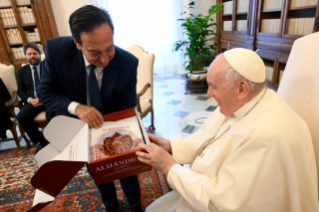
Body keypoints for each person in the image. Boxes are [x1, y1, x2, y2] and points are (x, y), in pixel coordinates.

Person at [136, 48, 319, 212]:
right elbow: (205, 139)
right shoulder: (241, 101)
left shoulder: (268, 136)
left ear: (241, 89)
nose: (208, 94)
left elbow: (222, 203)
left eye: (214, 86)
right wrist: (170, 146)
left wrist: (169, 166)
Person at [37, 5, 142, 212]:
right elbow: (45, 92)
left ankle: (137, 205)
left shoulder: (127, 63)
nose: (104, 60)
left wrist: (115, 138)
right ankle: (111, 205)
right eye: (94, 53)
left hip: (114, 119)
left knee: (126, 169)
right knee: (97, 169)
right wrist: (77, 108)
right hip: (79, 126)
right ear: (77, 43)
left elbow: (126, 106)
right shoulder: (57, 52)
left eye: (109, 49)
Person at [16, 43, 55, 154]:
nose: (32, 56)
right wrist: (29, 100)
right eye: (29, 54)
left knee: (52, 113)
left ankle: (56, 140)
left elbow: (55, 85)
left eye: (35, 53)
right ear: (26, 56)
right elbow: (21, 91)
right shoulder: (22, 71)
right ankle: (42, 141)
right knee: (21, 117)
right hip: (33, 101)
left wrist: (43, 98)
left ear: (39, 54)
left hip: (48, 99)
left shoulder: (48, 66)